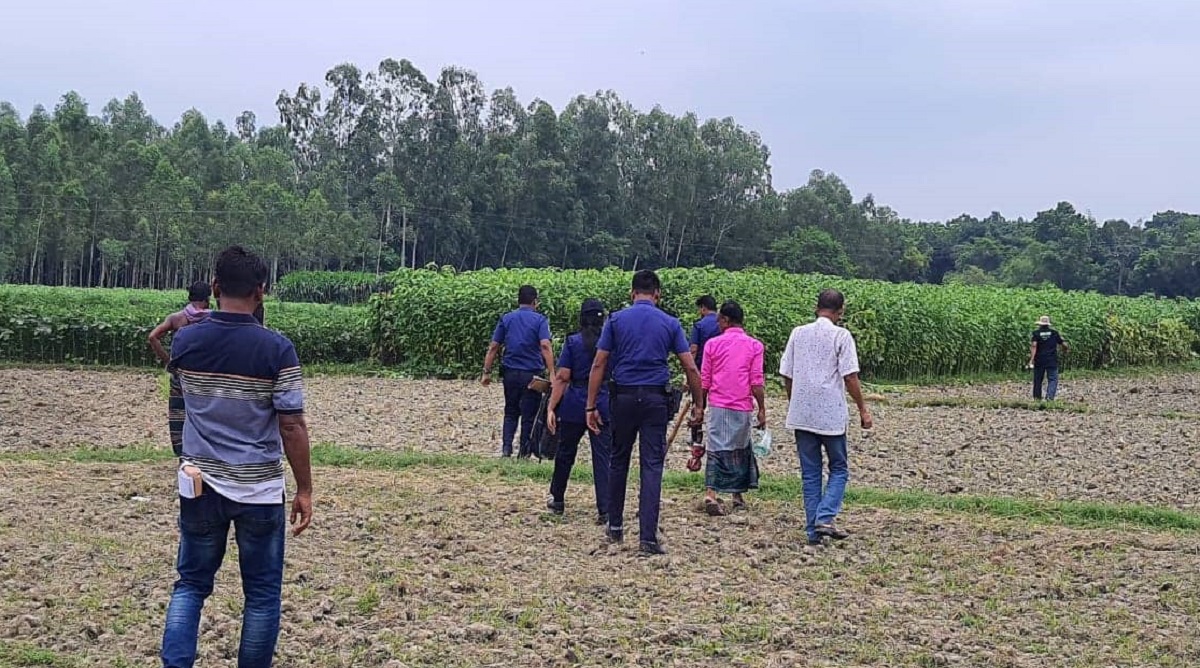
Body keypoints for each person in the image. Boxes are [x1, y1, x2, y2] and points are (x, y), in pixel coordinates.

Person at [160, 246, 314, 668]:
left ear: (215, 287)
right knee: (261, 595)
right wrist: (304, 489)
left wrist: (183, 456)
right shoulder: (278, 350)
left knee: (191, 585)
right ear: (260, 291)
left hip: (199, 484)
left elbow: (179, 407)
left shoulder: (186, 340)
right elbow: (292, 426)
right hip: (259, 490)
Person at [586, 270, 703, 556]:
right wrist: (699, 403)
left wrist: (590, 405)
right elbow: (689, 366)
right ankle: (648, 537)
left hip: (623, 397)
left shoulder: (615, 320)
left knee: (618, 460)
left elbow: (599, 363)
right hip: (655, 399)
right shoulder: (670, 323)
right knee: (651, 465)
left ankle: (615, 526)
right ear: (658, 294)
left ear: (632, 293)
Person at [779, 289, 872, 546]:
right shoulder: (841, 335)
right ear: (841, 311)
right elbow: (850, 376)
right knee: (839, 468)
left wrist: (794, 400)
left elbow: (786, 374)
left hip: (802, 413)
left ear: (816, 307)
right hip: (830, 414)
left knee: (811, 473)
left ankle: (814, 531)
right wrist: (862, 408)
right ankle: (825, 517)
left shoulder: (798, 333)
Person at [544, 298, 612, 524]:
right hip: (602, 401)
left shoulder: (573, 342)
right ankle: (605, 509)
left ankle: (557, 498)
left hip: (575, 402)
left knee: (565, 452)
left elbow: (563, 377)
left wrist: (551, 406)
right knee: (603, 457)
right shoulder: (610, 342)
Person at [697, 300, 766, 516]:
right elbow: (756, 381)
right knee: (740, 448)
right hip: (741, 406)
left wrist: (700, 406)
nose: (718, 324)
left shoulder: (712, 345)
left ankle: (711, 492)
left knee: (716, 448)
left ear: (726, 320)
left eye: (719, 320)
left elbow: (705, 380)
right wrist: (762, 408)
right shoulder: (755, 346)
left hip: (718, 405)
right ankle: (737, 495)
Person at [482, 285, 555, 458]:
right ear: (535, 302)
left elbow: (494, 347)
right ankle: (524, 452)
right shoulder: (540, 320)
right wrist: (552, 372)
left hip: (510, 373)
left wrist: (486, 371)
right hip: (532, 375)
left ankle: (506, 448)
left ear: (518, 300)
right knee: (529, 414)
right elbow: (545, 345)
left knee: (511, 411)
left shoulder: (507, 318)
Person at [148, 281, 213, 457]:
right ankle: (202, 454)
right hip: (205, 378)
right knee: (204, 416)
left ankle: (182, 453)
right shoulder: (212, 320)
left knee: (178, 416)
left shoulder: (177, 319)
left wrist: (169, 362)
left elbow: (153, 337)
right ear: (207, 299)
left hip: (180, 376)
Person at [1029, 315, 1069, 401]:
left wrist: (1031, 359)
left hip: (1039, 360)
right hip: (1052, 360)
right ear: (1048, 324)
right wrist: (1065, 350)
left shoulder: (1036, 333)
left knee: (1038, 380)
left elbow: (1034, 345)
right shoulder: (1054, 333)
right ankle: (1049, 398)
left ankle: (1037, 398)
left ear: (1040, 324)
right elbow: (1064, 344)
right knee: (1053, 379)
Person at [690, 295, 720, 371]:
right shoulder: (723, 323)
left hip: (702, 367)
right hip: (720, 366)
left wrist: (690, 370)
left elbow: (693, 349)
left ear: (703, 308)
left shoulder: (699, 325)